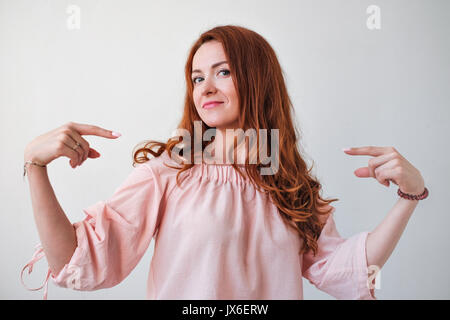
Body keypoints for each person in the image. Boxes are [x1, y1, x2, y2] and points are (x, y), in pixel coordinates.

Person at [21, 25, 427, 300]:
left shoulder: (287, 182)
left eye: (223, 72)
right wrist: (36, 168)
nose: (206, 88)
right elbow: (79, 260)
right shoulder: (168, 172)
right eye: (197, 78)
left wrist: (410, 195)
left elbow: (347, 273)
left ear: (256, 79)